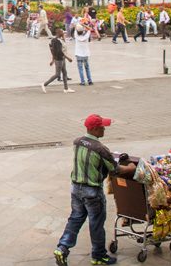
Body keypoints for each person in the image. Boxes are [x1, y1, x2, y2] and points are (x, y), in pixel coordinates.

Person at [52, 114, 133, 266]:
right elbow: (115, 170)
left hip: (76, 188)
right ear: (95, 129)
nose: (104, 129)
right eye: (102, 127)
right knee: (96, 223)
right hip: (92, 192)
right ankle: (99, 256)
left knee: (75, 219)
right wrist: (129, 168)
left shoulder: (77, 142)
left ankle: (62, 248)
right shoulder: (101, 149)